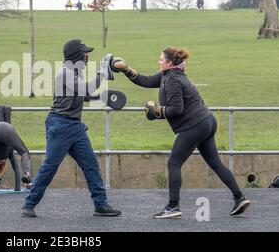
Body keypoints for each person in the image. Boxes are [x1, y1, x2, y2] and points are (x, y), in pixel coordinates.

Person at [111, 48, 251, 219]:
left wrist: (156, 112)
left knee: (174, 164)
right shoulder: (167, 75)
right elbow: (146, 81)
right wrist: (126, 69)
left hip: (195, 126)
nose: (158, 61)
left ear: (169, 63)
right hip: (207, 121)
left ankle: (173, 206)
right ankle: (239, 198)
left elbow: (177, 109)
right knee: (216, 163)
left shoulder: (173, 80)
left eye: (161, 59)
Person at [21, 39, 121, 218]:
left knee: (90, 164)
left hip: (75, 126)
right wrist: (102, 73)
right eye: (85, 53)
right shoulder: (65, 73)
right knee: (50, 167)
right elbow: (85, 89)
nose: (87, 56)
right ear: (76, 55)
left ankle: (101, 204)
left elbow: (84, 94)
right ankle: (29, 204)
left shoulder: (75, 72)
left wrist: (101, 97)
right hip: (60, 125)